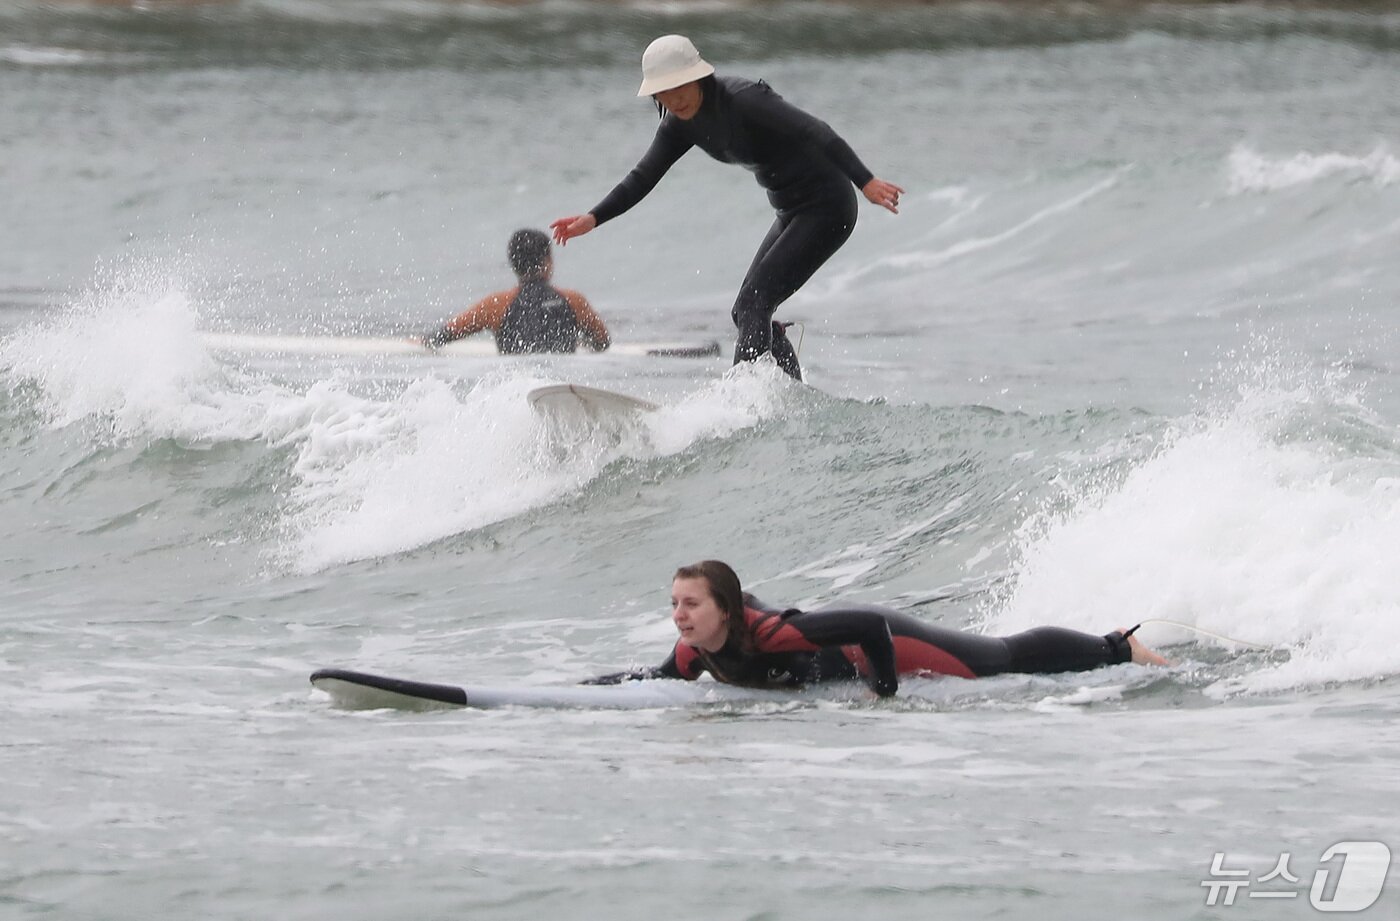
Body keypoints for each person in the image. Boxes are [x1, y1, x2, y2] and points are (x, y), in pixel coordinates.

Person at [550, 35, 903, 381]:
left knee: (755, 303)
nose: (674, 99)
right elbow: (642, 176)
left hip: (828, 207)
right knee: (746, 311)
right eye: (663, 92)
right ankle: (789, 392)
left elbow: (816, 130)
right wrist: (593, 218)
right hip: (791, 211)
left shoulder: (744, 100)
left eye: (679, 87)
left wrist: (866, 181)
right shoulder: (679, 124)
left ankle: (739, 398)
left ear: (698, 77)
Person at [586, 560, 1168, 698]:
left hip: (885, 641)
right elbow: (655, 677)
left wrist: (884, 693)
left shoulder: (769, 635)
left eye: (690, 604)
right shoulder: (694, 652)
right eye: (674, 604)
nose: (679, 616)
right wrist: (587, 688)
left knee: (999, 658)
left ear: (727, 611)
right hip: (854, 654)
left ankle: (1115, 647)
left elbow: (867, 625)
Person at [424, 228, 610, 354]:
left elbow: (446, 334)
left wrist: (424, 341)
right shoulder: (573, 301)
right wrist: (581, 344)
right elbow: (602, 342)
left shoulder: (496, 305)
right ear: (547, 261)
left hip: (517, 387)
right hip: (561, 384)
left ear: (514, 264)